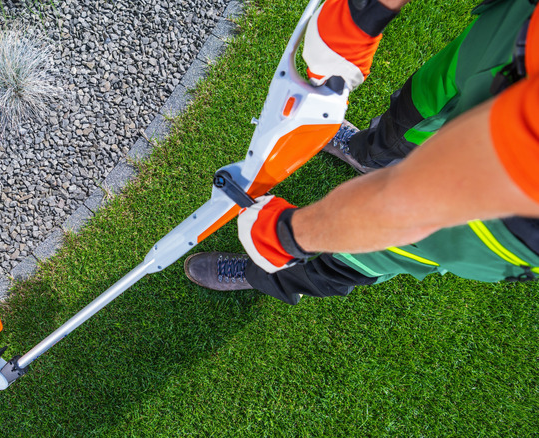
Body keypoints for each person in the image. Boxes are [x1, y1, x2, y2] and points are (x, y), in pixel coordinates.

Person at [184, 0, 539, 305]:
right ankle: (369, 155)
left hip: (511, 220)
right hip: (519, 33)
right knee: (424, 104)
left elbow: (407, 207)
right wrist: (363, 13)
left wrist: (288, 235)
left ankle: (268, 269)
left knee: (369, 249)